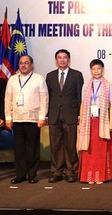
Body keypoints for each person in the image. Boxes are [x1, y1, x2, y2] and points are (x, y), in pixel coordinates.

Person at [5, 55, 48, 184]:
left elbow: (44, 99)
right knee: (19, 149)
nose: (23, 65)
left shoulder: (39, 79)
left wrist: (41, 117)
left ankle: (32, 174)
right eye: (21, 63)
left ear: (32, 65)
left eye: (26, 63)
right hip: (17, 119)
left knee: (32, 149)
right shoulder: (12, 79)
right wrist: (8, 117)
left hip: (33, 119)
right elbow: (8, 100)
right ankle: (20, 174)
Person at [45, 49, 84, 183]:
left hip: (71, 114)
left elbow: (80, 96)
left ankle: (70, 170)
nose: (62, 60)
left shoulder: (77, 75)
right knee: (55, 144)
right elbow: (47, 97)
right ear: (56, 60)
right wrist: (46, 115)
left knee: (70, 144)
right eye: (59, 58)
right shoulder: (50, 76)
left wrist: (80, 115)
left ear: (69, 59)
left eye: (65, 57)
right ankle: (56, 171)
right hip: (54, 115)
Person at [77, 59, 112, 184]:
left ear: (102, 70)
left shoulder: (108, 85)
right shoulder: (86, 85)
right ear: (91, 70)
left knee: (101, 149)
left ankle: (101, 176)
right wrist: (81, 120)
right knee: (89, 149)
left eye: (98, 68)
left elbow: (111, 104)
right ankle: (89, 176)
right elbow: (83, 104)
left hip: (102, 122)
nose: (96, 71)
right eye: (94, 69)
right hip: (89, 122)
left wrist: (111, 122)